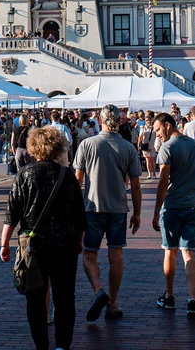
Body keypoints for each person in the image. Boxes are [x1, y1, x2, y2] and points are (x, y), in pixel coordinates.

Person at [1, 127, 88, 350]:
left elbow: (12, 214)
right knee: (65, 297)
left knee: (35, 298)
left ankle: (41, 344)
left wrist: (4, 243)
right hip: (65, 244)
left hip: (34, 246)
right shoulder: (67, 176)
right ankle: (62, 345)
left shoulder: (25, 174)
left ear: (33, 147)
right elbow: (80, 215)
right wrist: (79, 240)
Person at [73, 104, 142, 322]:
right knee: (116, 255)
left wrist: (73, 210)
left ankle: (98, 290)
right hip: (118, 208)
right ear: (119, 121)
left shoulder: (87, 145)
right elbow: (136, 185)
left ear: (100, 120)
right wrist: (137, 212)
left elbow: (77, 181)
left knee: (89, 254)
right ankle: (112, 303)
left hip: (92, 207)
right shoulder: (128, 148)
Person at [151, 113, 195, 317]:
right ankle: (192, 298)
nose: (157, 134)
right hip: (191, 205)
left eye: (157, 130)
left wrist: (156, 210)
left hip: (172, 206)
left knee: (170, 251)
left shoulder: (168, 148)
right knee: (189, 252)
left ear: (167, 125)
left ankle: (170, 295)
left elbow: (163, 181)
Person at [138, 114, 158, 179]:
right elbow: (140, 137)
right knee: (148, 160)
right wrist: (138, 145)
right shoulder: (143, 128)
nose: (148, 121)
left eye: (149, 120)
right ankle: (150, 174)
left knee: (153, 160)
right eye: (147, 120)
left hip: (152, 145)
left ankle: (154, 174)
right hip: (145, 146)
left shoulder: (154, 128)